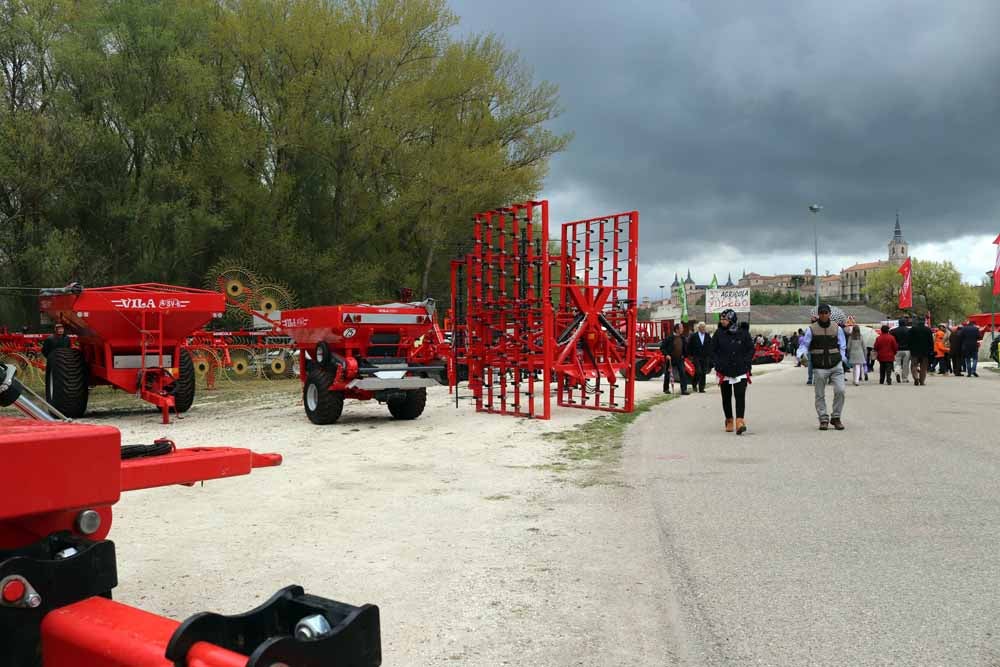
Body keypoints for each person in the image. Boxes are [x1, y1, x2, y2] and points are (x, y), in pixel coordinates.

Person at [796, 304, 848, 430]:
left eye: (826, 312)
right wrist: (801, 355)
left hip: (836, 365)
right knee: (819, 394)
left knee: (840, 390)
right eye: (822, 313)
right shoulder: (811, 329)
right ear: (818, 314)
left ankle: (836, 417)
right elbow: (804, 345)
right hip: (819, 366)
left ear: (830, 314)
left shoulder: (837, 328)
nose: (824, 315)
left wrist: (842, 357)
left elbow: (842, 345)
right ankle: (823, 418)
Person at [712, 309, 754, 435]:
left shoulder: (743, 333)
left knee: (740, 395)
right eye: (721, 319)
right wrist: (718, 363)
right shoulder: (718, 333)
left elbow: (750, 349)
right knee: (726, 397)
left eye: (725, 319)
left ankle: (740, 420)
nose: (722, 321)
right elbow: (713, 350)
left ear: (732, 320)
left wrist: (746, 362)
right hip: (724, 371)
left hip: (740, 369)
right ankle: (729, 419)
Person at [660, 323, 689, 395]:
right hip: (670, 358)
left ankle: (684, 390)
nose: (682, 329)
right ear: (677, 329)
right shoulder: (669, 338)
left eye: (682, 328)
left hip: (680, 358)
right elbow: (662, 348)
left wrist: (684, 355)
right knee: (668, 373)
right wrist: (666, 355)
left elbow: (685, 348)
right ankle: (666, 389)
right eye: (681, 328)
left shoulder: (683, 338)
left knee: (682, 373)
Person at [907, 317, 934, 386]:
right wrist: (931, 350)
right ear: (924, 322)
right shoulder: (928, 330)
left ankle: (916, 377)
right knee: (923, 367)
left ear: (917, 322)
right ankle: (922, 381)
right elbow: (931, 341)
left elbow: (909, 340)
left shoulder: (912, 329)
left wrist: (910, 348)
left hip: (914, 351)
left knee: (914, 365)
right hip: (925, 351)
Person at [687, 322, 712, 393]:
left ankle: (701, 388)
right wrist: (690, 356)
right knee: (698, 371)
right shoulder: (694, 336)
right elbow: (689, 346)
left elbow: (711, 345)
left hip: (705, 357)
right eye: (702, 327)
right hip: (696, 356)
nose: (703, 328)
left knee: (704, 372)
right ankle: (694, 383)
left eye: (704, 327)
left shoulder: (707, 336)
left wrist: (710, 355)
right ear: (699, 328)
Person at [890, 316, 911, 383]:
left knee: (897, 363)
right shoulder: (909, 330)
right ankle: (905, 378)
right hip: (907, 349)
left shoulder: (893, 331)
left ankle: (897, 372)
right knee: (906, 364)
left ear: (898, 323)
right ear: (905, 323)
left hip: (897, 349)